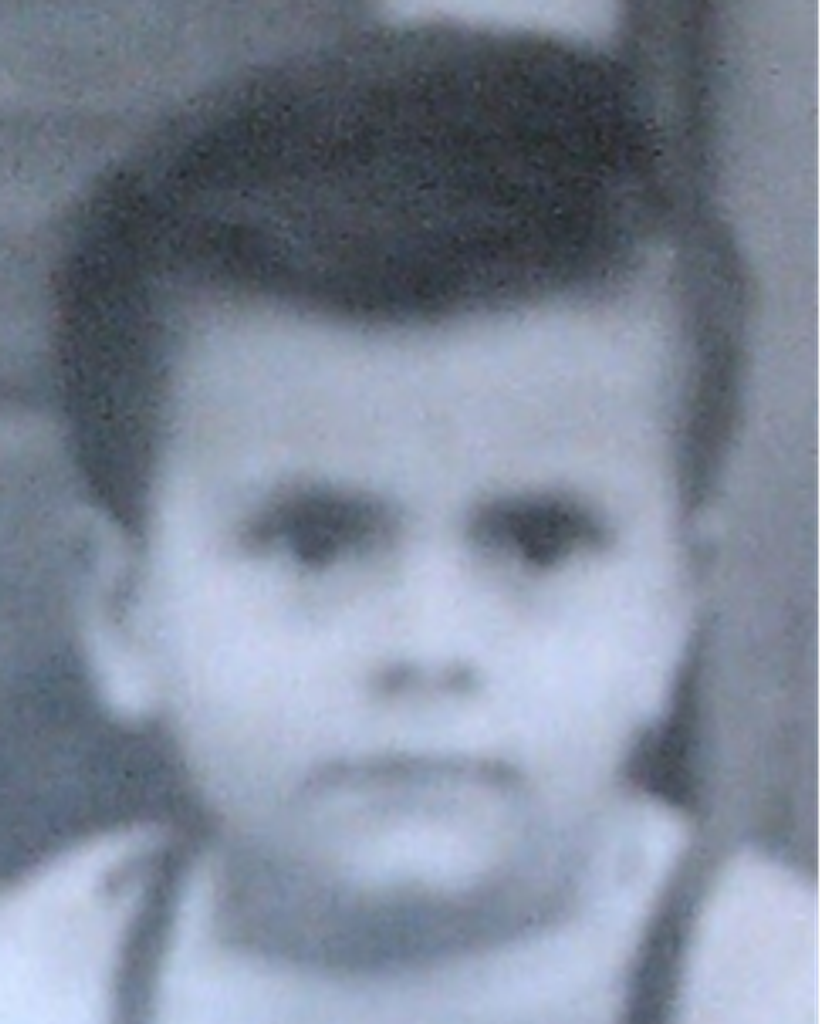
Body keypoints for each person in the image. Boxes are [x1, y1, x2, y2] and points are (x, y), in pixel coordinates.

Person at [0, 24, 816, 1024]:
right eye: (312, 543)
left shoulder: (771, 989)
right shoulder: (42, 982)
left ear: (674, 609)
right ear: (124, 615)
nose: (427, 647)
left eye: (539, 542)